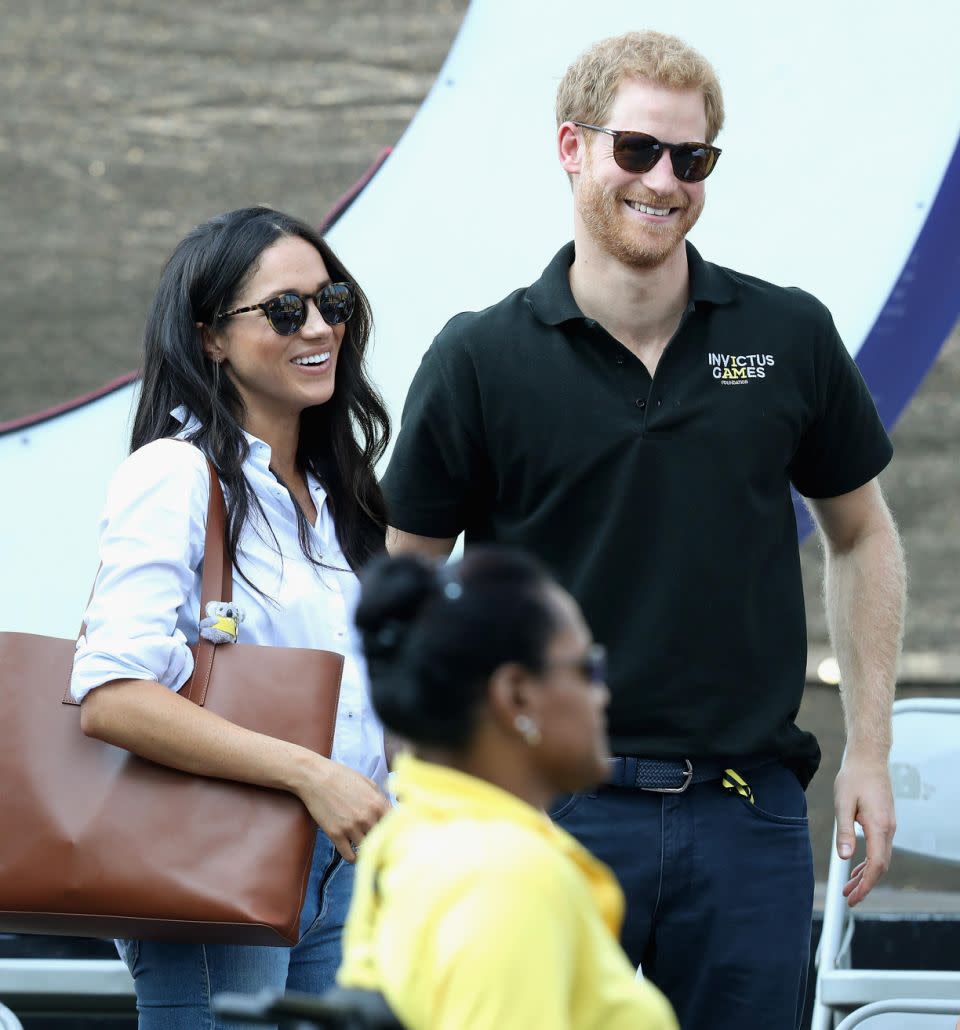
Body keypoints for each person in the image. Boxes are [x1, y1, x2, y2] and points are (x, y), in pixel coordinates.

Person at [380, 30, 907, 1030]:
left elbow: (863, 536)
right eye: (637, 150)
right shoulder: (480, 356)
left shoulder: (785, 335)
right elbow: (402, 584)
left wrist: (869, 754)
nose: (664, 181)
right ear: (572, 147)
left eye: (692, 158)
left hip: (745, 815)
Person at [71, 206, 392, 1028]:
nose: (319, 325)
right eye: (285, 310)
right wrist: (312, 774)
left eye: (334, 301)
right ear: (210, 337)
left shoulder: (333, 498)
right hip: (224, 852)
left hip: (347, 865)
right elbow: (112, 694)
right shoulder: (175, 475)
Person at [337, 547, 678, 1030]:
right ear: (516, 694)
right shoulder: (509, 874)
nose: (602, 695)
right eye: (587, 669)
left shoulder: (413, 835)